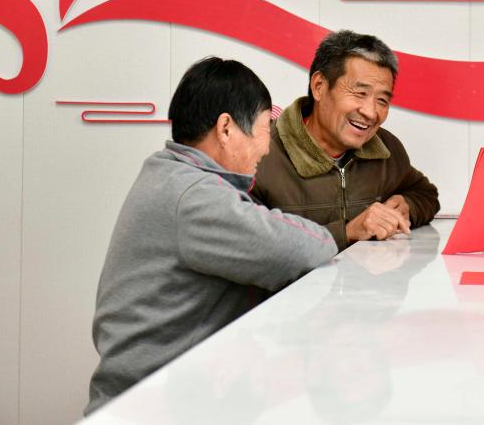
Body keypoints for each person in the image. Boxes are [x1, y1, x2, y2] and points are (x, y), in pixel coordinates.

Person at [86, 57, 337, 415]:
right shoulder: (195, 195)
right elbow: (309, 248)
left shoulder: (169, 174)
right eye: (265, 130)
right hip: (151, 408)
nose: (267, 148)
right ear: (226, 128)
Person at [252, 30, 440, 251]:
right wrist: (346, 233)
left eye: (382, 100)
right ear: (319, 86)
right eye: (360, 93)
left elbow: (425, 194)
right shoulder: (259, 154)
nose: (371, 112)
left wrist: (407, 206)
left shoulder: (387, 149)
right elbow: (249, 246)